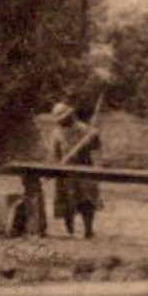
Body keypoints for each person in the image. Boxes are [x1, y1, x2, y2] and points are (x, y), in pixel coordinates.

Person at [47, 102, 103, 239]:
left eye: (64, 118)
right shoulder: (56, 133)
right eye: (59, 120)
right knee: (67, 201)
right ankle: (69, 230)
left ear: (70, 116)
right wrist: (57, 166)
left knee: (87, 200)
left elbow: (95, 148)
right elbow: (54, 153)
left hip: (84, 169)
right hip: (65, 171)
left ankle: (88, 230)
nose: (61, 122)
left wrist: (94, 137)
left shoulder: (84, 130)